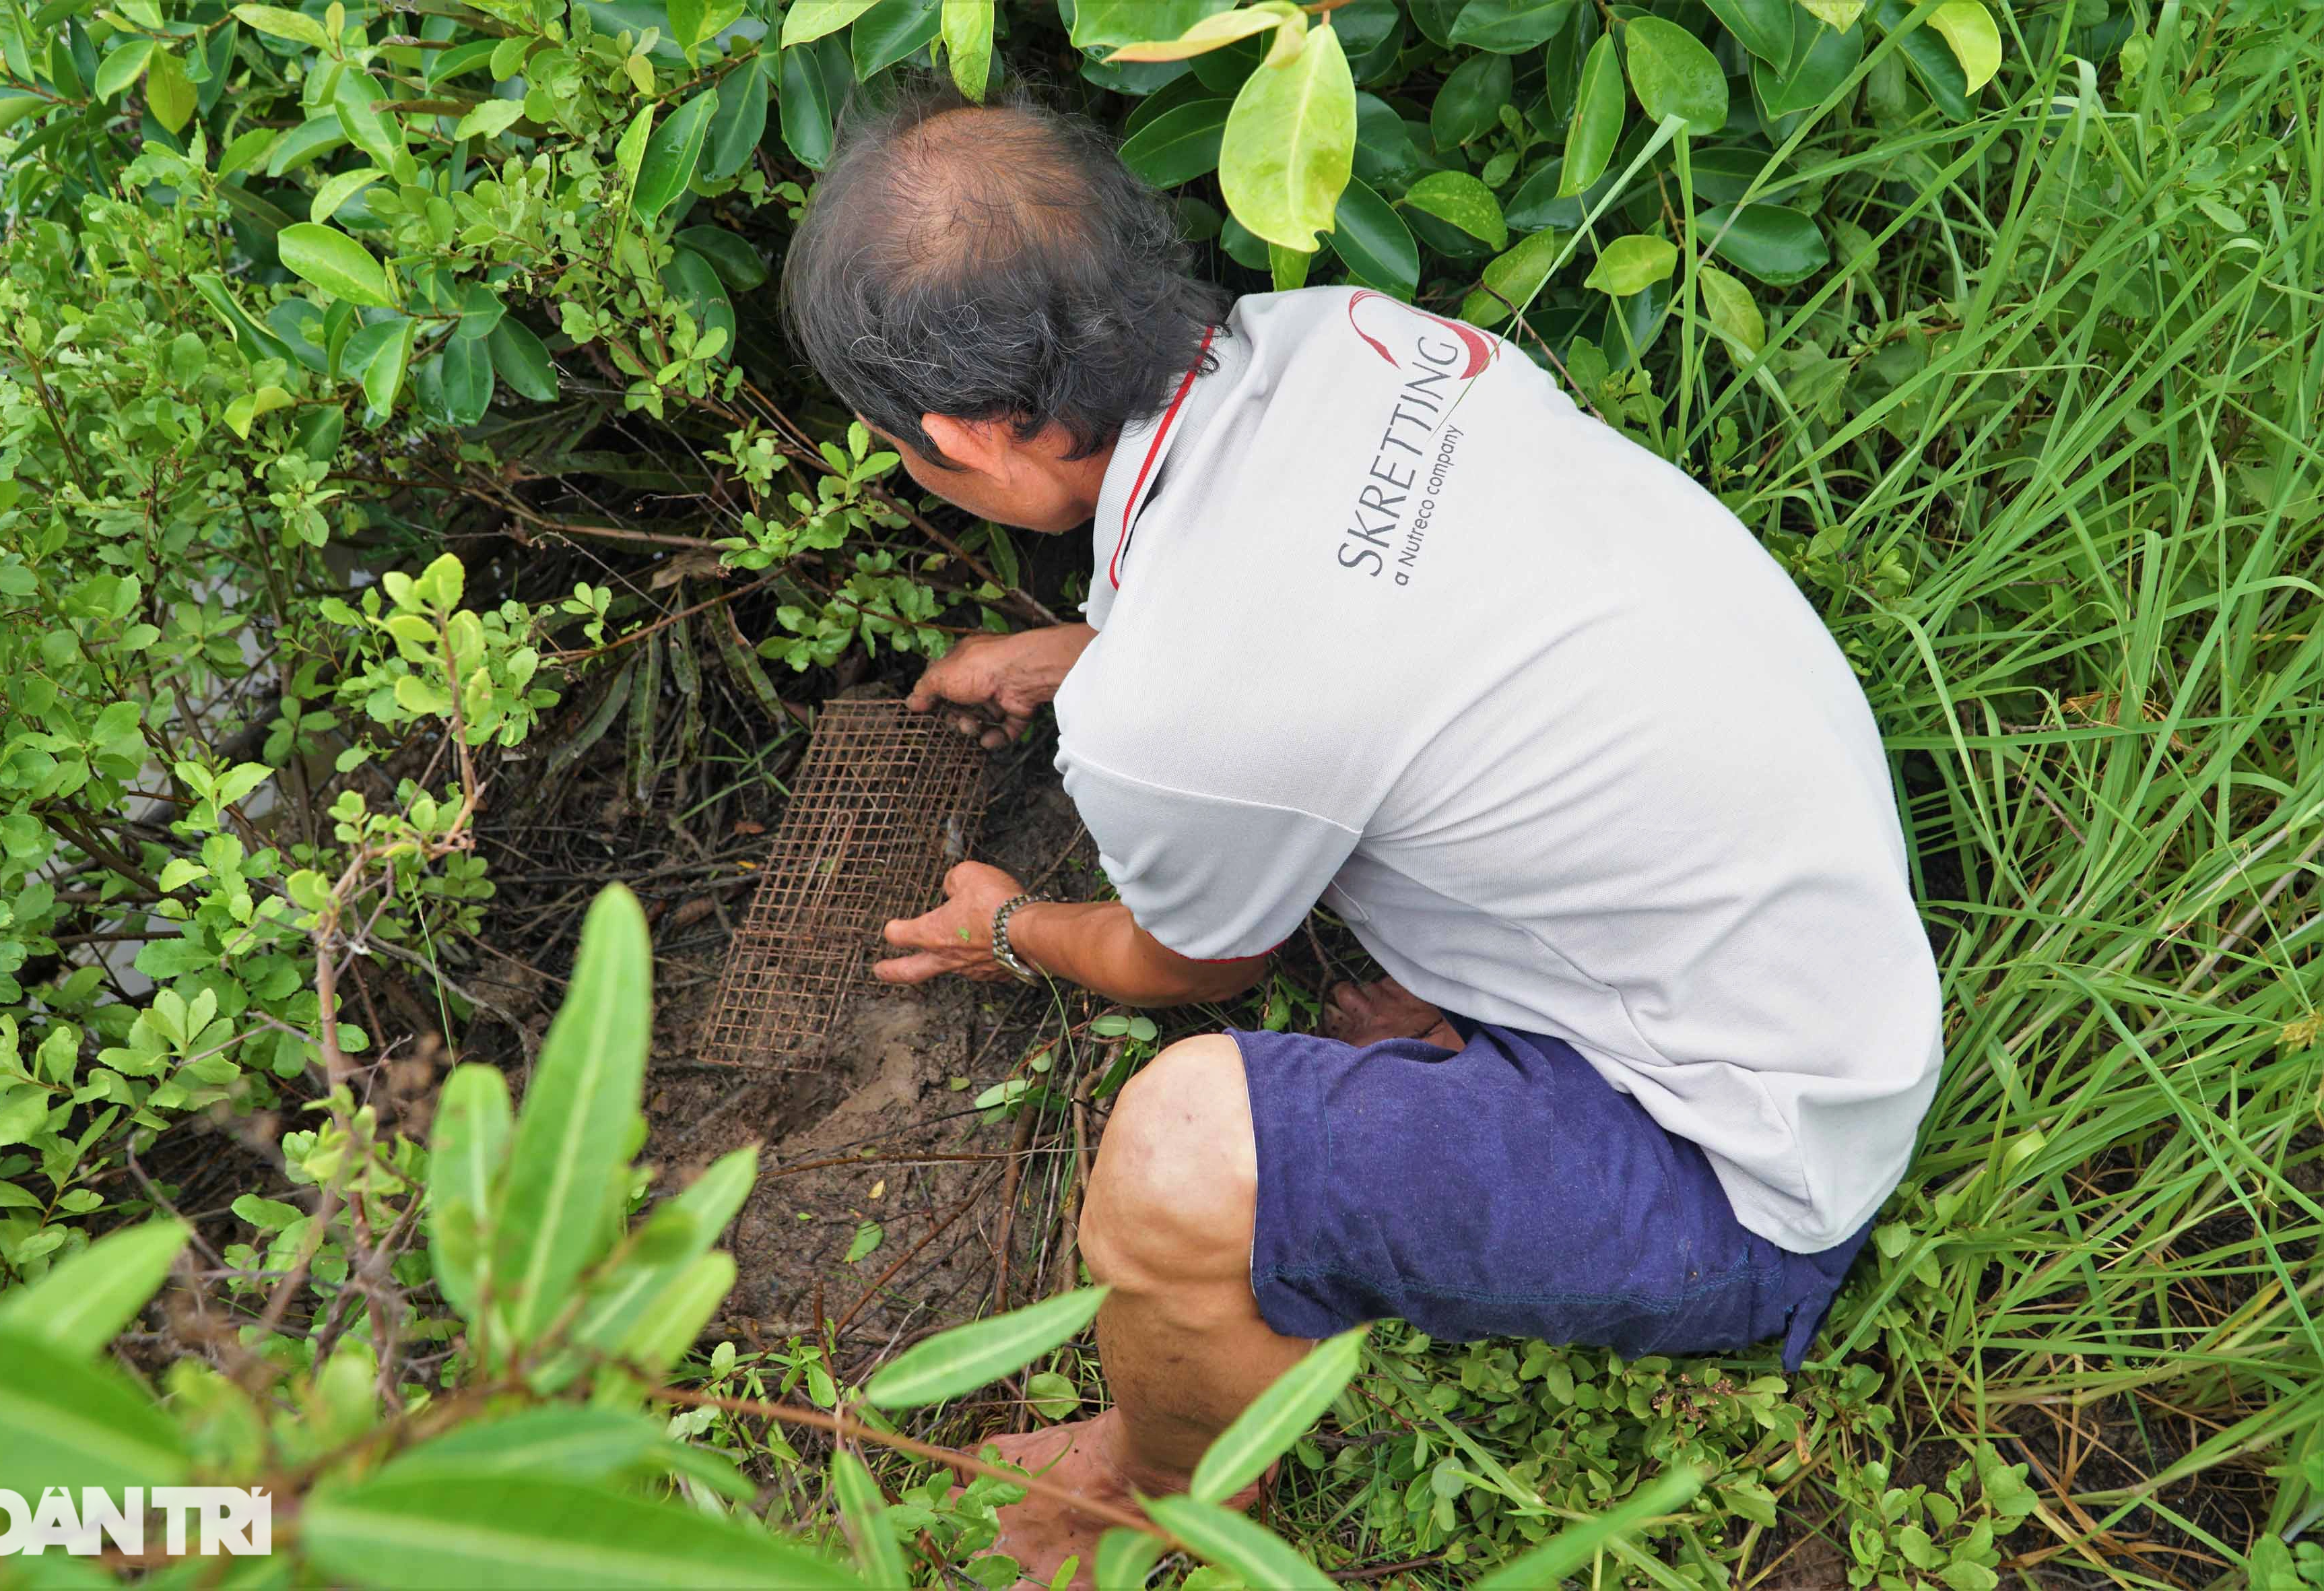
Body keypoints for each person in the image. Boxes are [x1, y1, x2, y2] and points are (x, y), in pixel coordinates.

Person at [781, 82, 1943, 1582]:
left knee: (1180, 1153)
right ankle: (1501, 1041)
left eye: (896, 443)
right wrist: (1083, 651)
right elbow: (1359, 626)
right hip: (1819, 958)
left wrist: (1007, 928)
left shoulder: (1175, 715)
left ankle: (1157, 1493)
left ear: (963, 438)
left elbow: (1183, 961)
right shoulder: (1352, 340)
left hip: (1750, 1170)